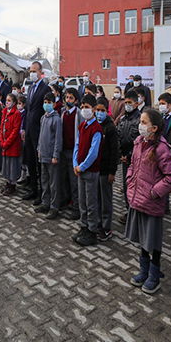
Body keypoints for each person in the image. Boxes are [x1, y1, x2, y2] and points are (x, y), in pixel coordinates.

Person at [126, 108, 171, 294]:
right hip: (137, 199)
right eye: (140, 122)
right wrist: (129, 180)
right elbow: (132, 165)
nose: (140, 126)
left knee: (153, 241)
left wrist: (154, 192)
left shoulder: (160, 148)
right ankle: (144, 270)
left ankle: (154, 274)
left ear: (154, 128)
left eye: (144, 123)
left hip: (151, 202)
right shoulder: (138, 143)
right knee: (142, 239)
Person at [69, 93, 103, 244]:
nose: (84, 110)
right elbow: (77, 145)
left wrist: (82, 167)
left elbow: (93, 153)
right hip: (80, 170)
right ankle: (84, 227)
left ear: (94, 109)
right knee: (82, 201)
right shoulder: (82, 125)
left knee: (91, 203)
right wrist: (75, 163)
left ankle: (92, 231)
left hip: (90, 171)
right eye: (82, 107)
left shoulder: (96, 129)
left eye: (87, 107)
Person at [22, 62, 52, 202]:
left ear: (40, 72)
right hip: (28, 131)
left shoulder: (45, 89)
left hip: (38, 132)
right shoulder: (30, 88)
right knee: (30, 162)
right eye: (30, 71)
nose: (31, 73)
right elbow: (28, 109)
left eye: (34, 71)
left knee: (39, 164)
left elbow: (45, 111)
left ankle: (42, 192)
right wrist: (23, 128)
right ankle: (33, 189)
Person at [35, 92, 63, 219]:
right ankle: (45, 203)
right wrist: (39, 149)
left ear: (54, 104)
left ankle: (54, 207)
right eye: (45, 103)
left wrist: (56, 155)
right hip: (43, 155)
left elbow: (58, 139)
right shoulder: (43, 118)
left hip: (52, 157)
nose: (46, 105)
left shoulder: (56, 120)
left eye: (49, 103)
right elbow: (41, 136)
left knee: (54, 183)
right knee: (44, 181)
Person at [116, 90, 141, 225]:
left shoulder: (140, 119)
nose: (127, 105)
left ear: (136, 103)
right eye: (125, 103)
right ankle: (129, 211)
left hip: (136, 160)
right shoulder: (122, 119)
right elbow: (119, 137)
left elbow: (139, 141)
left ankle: (136, 212)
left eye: (129, 103)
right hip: (125, 160)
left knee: (135, 187)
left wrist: (130, 155)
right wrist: (122, 155)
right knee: (126, 187)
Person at [95, 97, 118, 241]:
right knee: (97, 199)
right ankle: (98, 223)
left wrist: (112, 171)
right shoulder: (94, 124)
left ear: (107, 111)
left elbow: (114, 151)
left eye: (102, 111)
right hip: (95, 169)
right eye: (97, 110)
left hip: (105, 171)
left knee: (106, 200)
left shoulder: (110, 128)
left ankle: (106, 227)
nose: (99, 113)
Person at [60, 88, 82, 220]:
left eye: (71, 98)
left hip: (74, 152)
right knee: (64, 178)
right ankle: (65, 200)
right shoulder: (63, 113)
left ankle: (76, 206)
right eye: (67, 98)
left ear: (76, 101)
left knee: (74, 182)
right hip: (63, 150)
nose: (68, 100)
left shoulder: (78, 114)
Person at [0, 93, 22, 196]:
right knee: (7, 164)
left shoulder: (16, 114)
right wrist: (2, 141)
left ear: (13, 103)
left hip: (12, 144)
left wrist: (7, 142)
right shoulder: (4, 111)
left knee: (12, 165)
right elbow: (1, 127)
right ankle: (8, 182)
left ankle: (12, 184)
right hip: (4, 143)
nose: (7, 102)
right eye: (6, 100)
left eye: (9, 100)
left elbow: (15, 130)